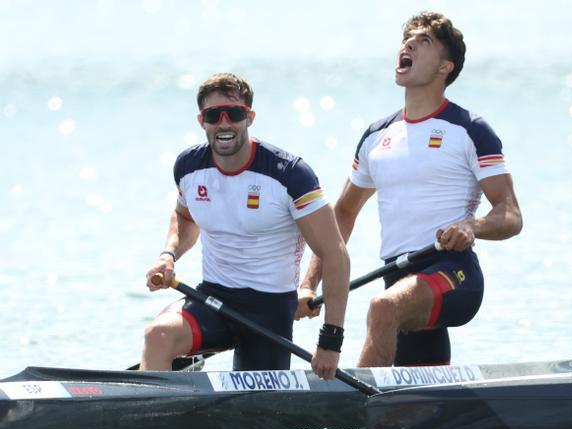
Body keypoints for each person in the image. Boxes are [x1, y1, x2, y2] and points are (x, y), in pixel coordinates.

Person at [296, 11, 522, 367]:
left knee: (383, 308)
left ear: (445, 67)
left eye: (424, 41)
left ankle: (355, 417)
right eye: (408, 39)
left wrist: (471, 226)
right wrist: (309, 284)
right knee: (419, 404)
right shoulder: (375, 136)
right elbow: (341, 216)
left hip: (453, 271)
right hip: (398, 275)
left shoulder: (470, 130)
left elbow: (510, 215)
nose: (409, 43)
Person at [140, 73, 350, 380]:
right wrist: (168, 254)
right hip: (211, 298)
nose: (224, 123)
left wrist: (330, 341)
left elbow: (336, 255)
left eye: (234, 114)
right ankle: (151, 419)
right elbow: (185, 218)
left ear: (249, 117)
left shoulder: (290, 174)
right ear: (202, 121)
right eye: (214, 115)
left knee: (260, 427)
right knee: (156, 334)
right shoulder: (188, 167)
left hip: (270, 311)